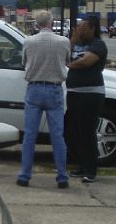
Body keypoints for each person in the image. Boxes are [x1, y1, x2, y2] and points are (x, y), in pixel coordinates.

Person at [16, 10, 71, 189]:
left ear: (36, 24)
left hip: (34, 88)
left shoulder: (28, 41)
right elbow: (67, 61)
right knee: (57, 135)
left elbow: (24, 62)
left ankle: (25, 175)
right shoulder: (63, 41)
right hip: (55, 88)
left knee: (30, 135)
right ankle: (62, 176)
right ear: (51, 22)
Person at [66, 15, 107, 184]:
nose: (80, 29)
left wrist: (68, 63)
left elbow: (84, 63)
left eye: (83, 27)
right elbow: (65, 54)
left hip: (91, 95)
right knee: (73, 131)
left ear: (93, 28)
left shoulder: (98, 45)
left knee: (87, 132)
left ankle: (91, 170)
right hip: (74, 92)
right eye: (79, 26)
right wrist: (72, 41)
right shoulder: (78, 43)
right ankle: (82, 166)